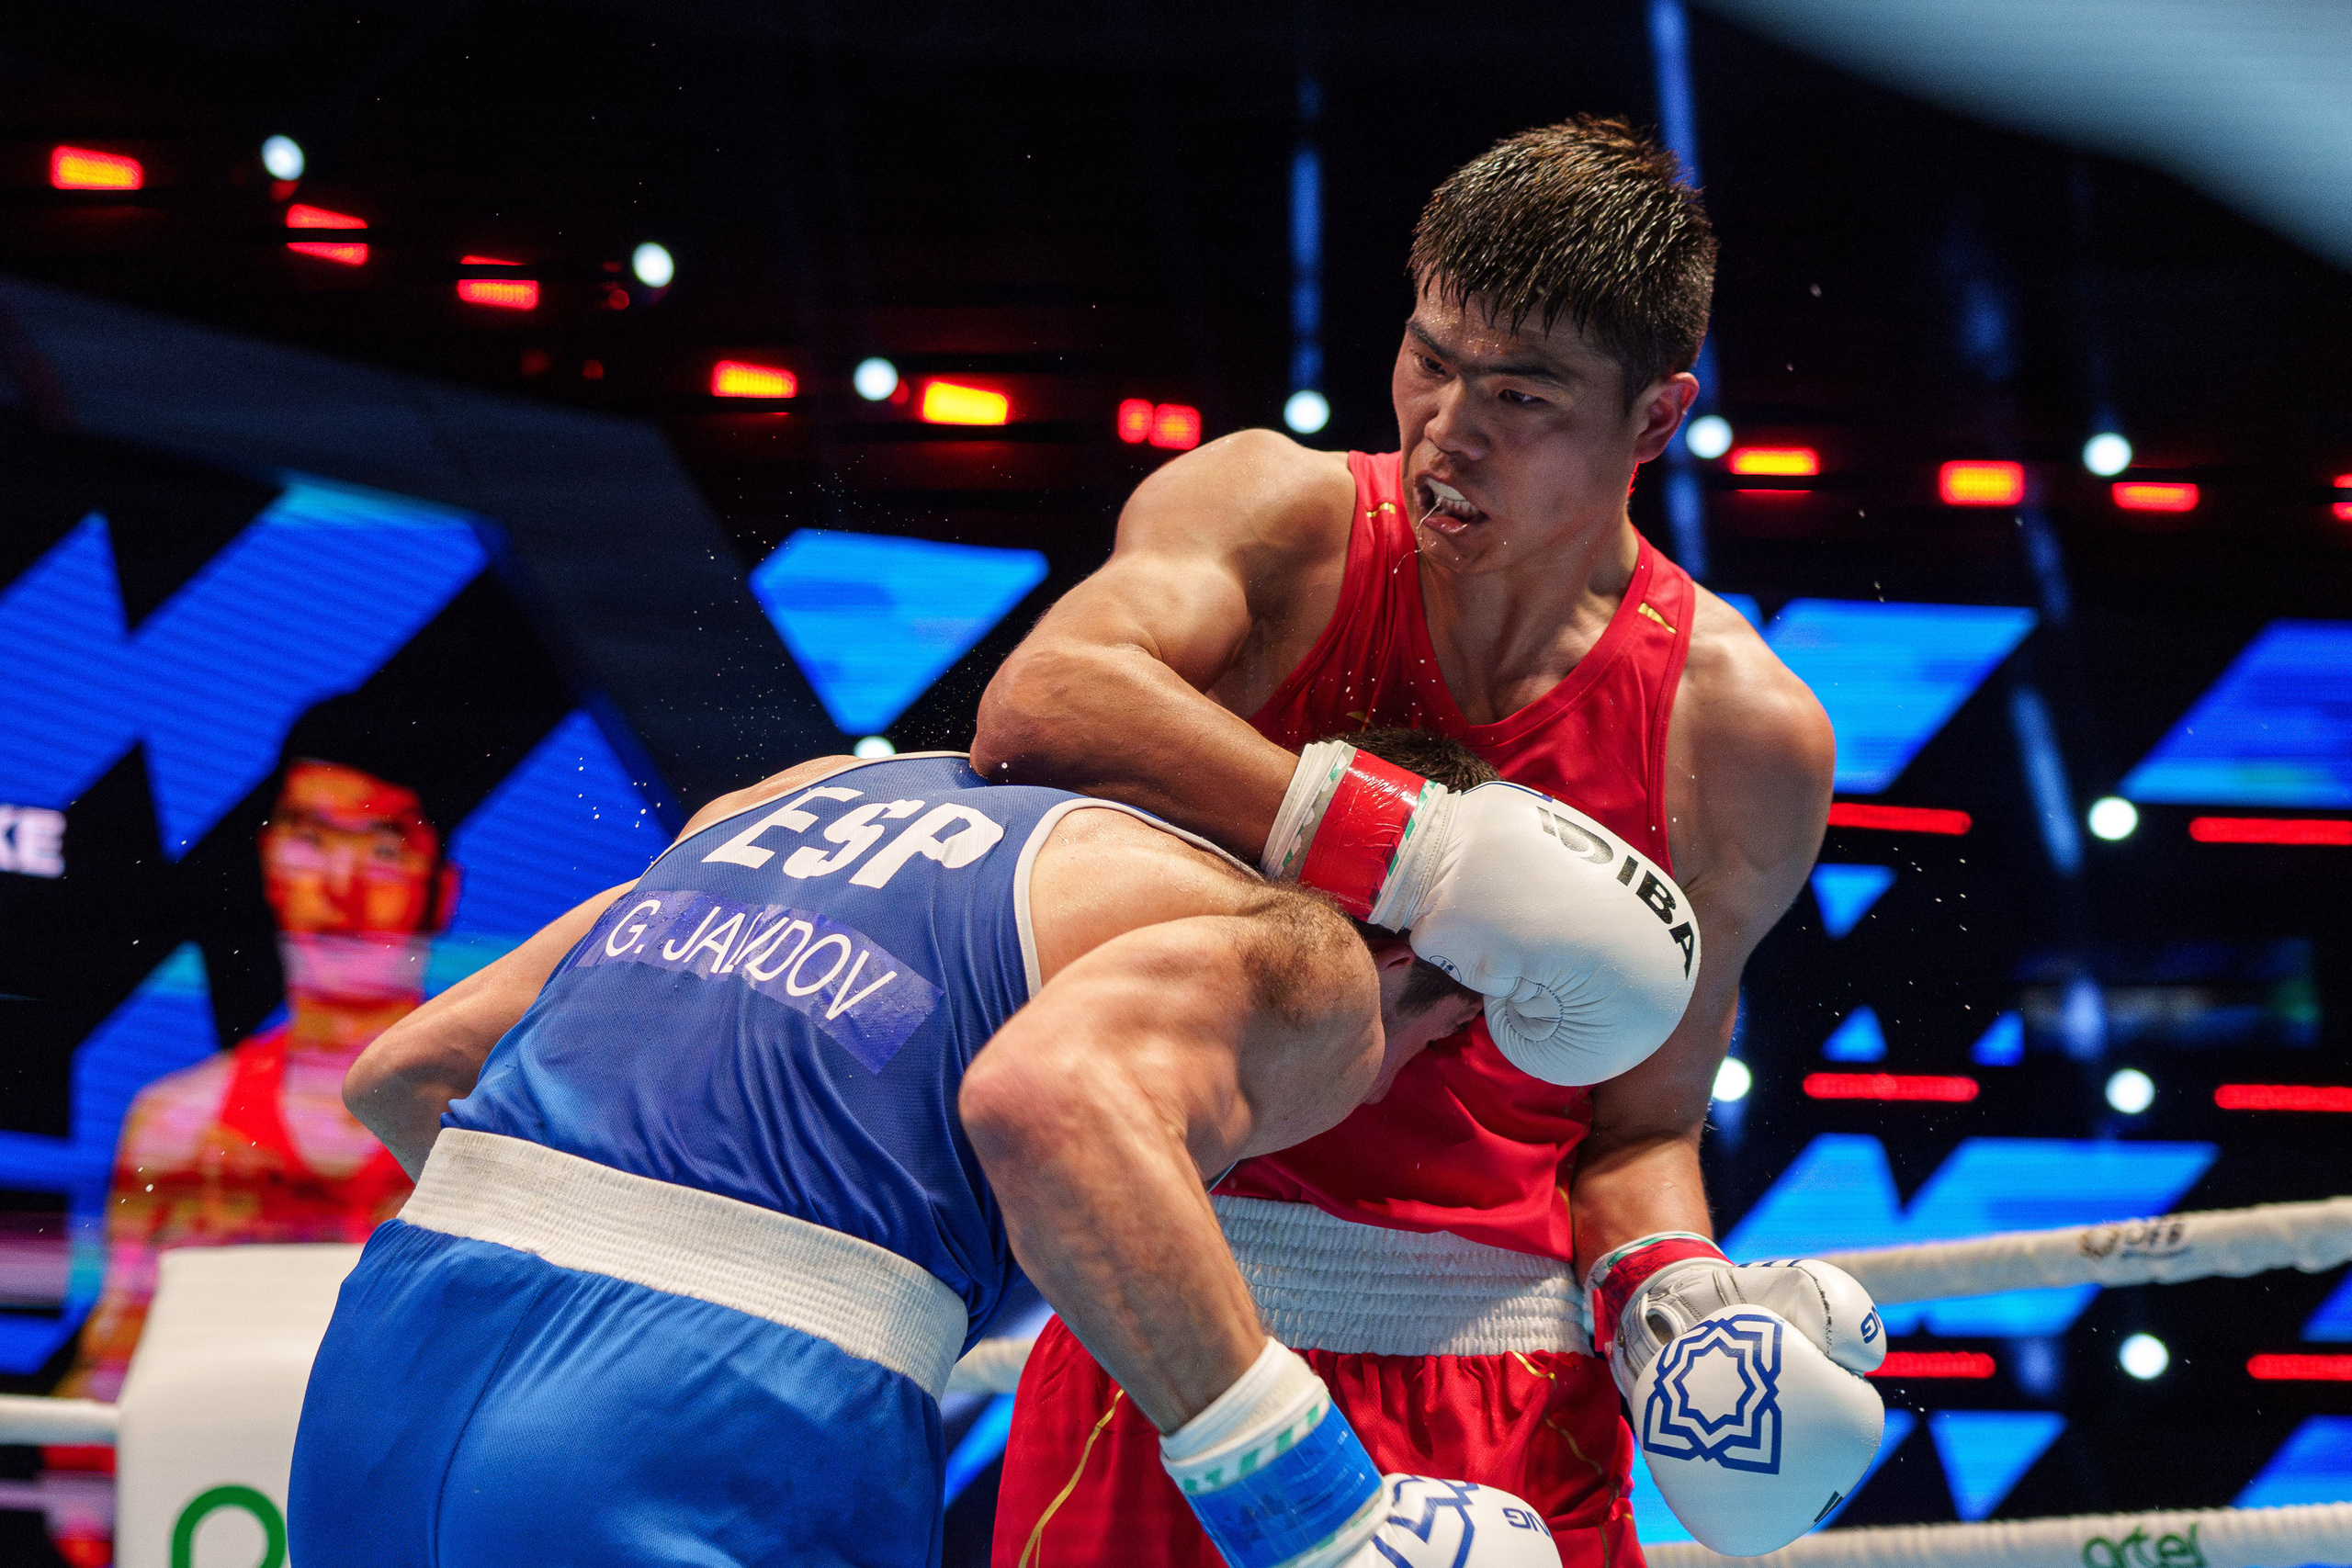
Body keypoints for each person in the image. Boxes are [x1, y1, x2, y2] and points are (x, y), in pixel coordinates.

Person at [977, 118, 1885, 1567]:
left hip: (1516, 1395)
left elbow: (1638, 1121)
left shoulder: (1738, 735)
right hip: (1183, 1334)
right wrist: (1423, 854)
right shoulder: (1280, 524)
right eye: (1430, 358)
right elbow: (1043, 702)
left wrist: (1670, 1304)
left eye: (1520, 394)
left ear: (1653, 421)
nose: (1447, 427)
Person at [289, 737, 1668, 1568]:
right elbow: (1049, 1109)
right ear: (1427, 961)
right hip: (709, 1409)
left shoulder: (808, 796)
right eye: (1433, 1048)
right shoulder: (1310, 958)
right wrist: (1322, 1515)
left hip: (391, 1361)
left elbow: (408, 1071)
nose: (1391, 1079)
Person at [43, 761, 438, 1568]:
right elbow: (107, 1377)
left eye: (383, 847)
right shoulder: (177, 1124)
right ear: (269, 860)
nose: (340, 882)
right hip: (213, 1517)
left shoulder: (509, 1119)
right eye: (310, 837)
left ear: (443, 879)